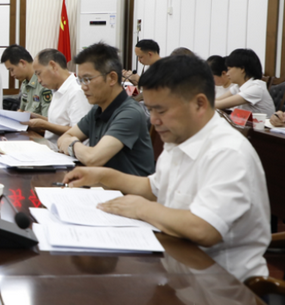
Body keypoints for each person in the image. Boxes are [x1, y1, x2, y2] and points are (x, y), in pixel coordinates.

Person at [63, 55, 270, 282]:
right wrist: (103, 175)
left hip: (224, 284)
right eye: (150, 110)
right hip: (180, 269)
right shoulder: (179, 138)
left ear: (199, 104)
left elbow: (204, 229)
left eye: (161, 111)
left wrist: (142, 209)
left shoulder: (228, 152)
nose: (153, 120)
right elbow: (154, 188)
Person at [58, 42, 155, 176]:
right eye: (80, 80)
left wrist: (72, 144)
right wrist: (73, 144)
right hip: (100, 184)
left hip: (126, 189)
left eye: (87, 79)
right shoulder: (98, 109)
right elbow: (64, 138)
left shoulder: (130, 113)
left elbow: (93, 159)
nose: (83, 87)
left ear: (112, 78)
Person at [24, 49, 91, 149]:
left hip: (67, 153)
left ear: (53, 66)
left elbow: (80, 131)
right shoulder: (57, 89)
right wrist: (38, 117)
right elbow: (60, 122)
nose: (39, 80)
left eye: (39, 73)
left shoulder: (76, 91)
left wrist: (44, 125)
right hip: (52, 148)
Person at [214, 49, 275, 115]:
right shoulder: (237, 87)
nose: (227, 74)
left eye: (229, 69)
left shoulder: (256, 88)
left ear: (242, 69)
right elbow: (217, 100)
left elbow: (219, 104)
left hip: (263, 122)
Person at [0, 44, 50, 116]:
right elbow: (22, 109)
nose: (12, 74)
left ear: (22, 63)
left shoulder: (44, 83)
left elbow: (48, 120)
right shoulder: (25, 83)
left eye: (12, 69)